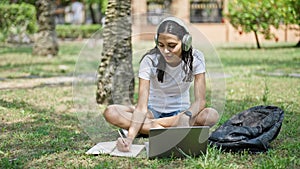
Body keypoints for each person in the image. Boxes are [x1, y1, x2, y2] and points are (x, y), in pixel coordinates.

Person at [103, 17, 219, 152]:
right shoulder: (149, 61)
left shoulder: (196, 58)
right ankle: (162, 128)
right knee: (110, 112)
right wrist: (129, 139)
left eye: (172, 45)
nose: (165, 51)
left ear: (186, 42)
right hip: (153, 112)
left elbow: (200, 101)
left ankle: (150, 128)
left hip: (182, 113)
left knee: (211, 115)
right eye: (161, 45)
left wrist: (186, 116)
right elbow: (141, 108)